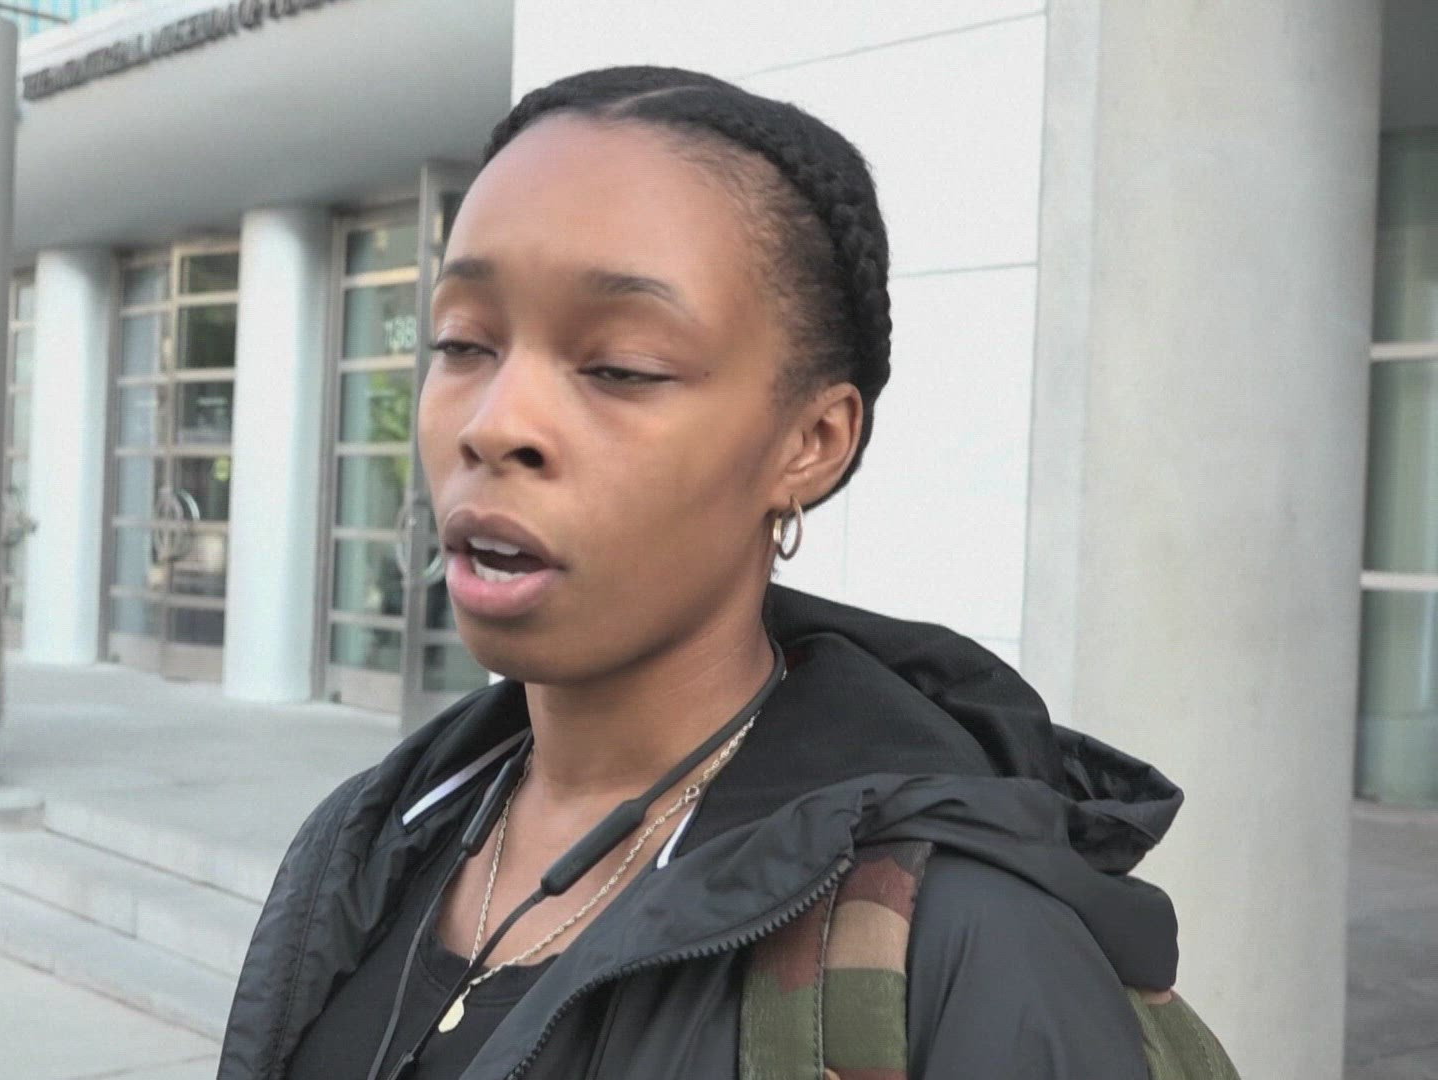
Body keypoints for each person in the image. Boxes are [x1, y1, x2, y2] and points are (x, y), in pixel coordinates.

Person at [218, 67, 1225, 1080]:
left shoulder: (970, 947)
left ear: (811, 442)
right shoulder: (368, 841)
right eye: (463, 342)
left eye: (620, 367)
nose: (495, 424)